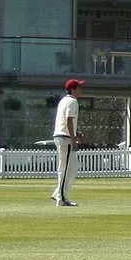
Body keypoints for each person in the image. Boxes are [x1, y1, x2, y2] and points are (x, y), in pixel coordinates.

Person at [51, 79, 84, 207]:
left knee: (73, 166)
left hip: (62, 135)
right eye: (79, 88)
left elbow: (66, 121)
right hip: (65, 137)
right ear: (73, 89)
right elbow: (69, 120)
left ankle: (58, 193)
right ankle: (62, 198)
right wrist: (73, 138)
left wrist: (77, 133)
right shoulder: (72, 101)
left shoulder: (64, 101)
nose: (81, 90)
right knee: (64, 168)